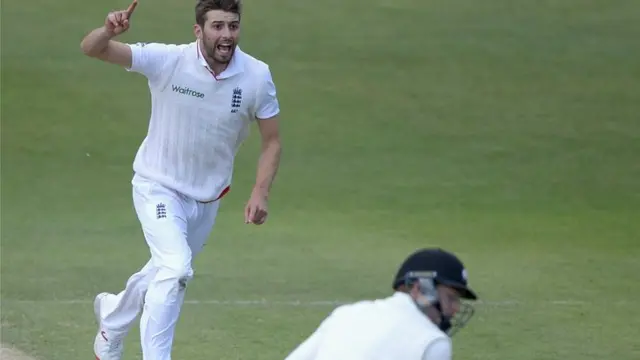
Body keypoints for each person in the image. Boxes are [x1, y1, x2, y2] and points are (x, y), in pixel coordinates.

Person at [79, 0, 282, 359]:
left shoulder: (256, 75)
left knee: (163, 269)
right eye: (217, 26)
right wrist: (108, 31)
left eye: (233, 26)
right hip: (158, 186)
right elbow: (93, 49)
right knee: (175, 269)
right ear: (198, 30)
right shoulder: (168, 60)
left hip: (207, 200)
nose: (226, 35)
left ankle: (112, 318)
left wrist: (260, 191)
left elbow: (272, 140)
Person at [284, 248, 478, 360]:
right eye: (451, 298)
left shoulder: (347, 314)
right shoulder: (433, 342)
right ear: (419, 289)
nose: (455, 309)